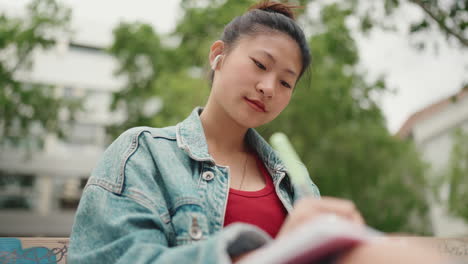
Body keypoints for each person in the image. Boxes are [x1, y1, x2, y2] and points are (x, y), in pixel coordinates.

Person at [68, 1, 454, 264]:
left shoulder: (296, 187)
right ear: (218, 54)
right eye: (259, 64)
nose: (269, 87)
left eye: (286, 83)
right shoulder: (143, 153)